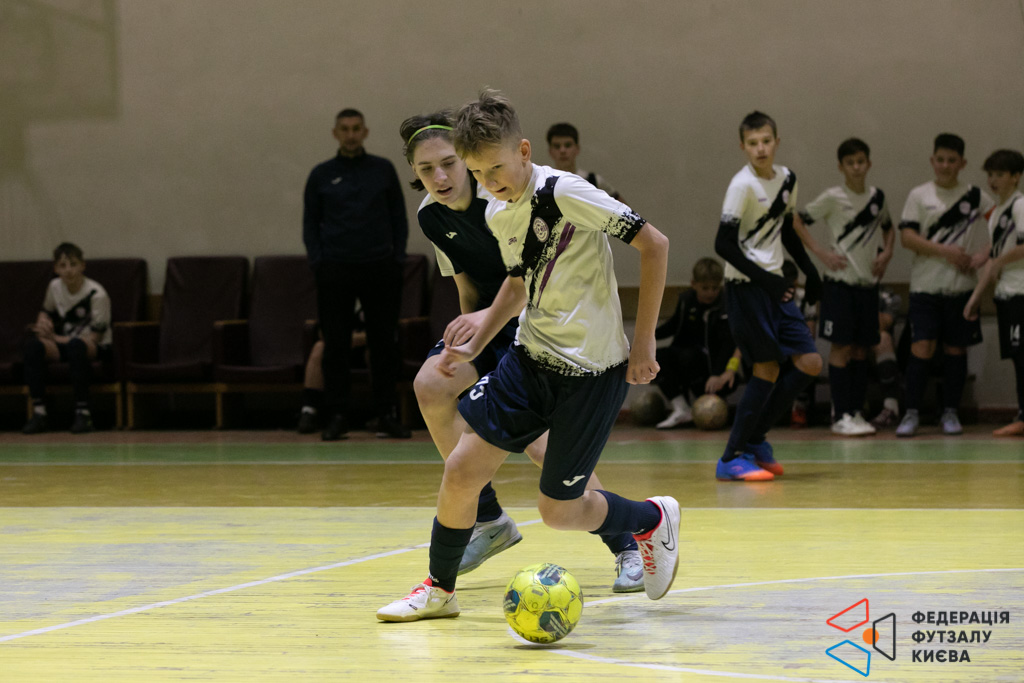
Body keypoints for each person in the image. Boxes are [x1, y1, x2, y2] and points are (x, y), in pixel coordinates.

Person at [377, 91, 679, 622]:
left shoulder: (566, 191)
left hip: (589, 371)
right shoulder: (498, 209)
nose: (488, 181)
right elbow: (518, 282)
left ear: (523, 150)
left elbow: (655, 245)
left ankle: (649, 521)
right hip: (529, 357)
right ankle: (440, 590)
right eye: (478, 172)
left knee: (559, 511)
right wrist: (479, 337)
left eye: (493, 168)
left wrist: (644, 341)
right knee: (461, 468)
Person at [713, 111, 823, 482]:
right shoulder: (741, 186)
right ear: (743, 146)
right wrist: (767, 280)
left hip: (774, 284)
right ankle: (731, 458)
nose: (760, 148)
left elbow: (786, 229)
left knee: (810, 361)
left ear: (777, 142)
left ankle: (756, 439)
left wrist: (810, 270)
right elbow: (723, 244)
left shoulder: (787, 179)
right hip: (747, 288)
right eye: (753, 143)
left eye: (766, 141)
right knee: (767, 368)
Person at [302, 108, 410, 440]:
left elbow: (399, 218)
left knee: (383, 344)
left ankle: (386, 414)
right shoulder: (321, 174)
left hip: (380, 268)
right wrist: (319, 263)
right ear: (336, 133)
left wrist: (397, 259)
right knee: (335, 345)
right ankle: (337, 416)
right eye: (345, 129)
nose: (350, 134)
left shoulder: (382, 169)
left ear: (365, 132)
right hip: (335, 270)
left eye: (356, 128)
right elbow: (310, 224)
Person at [895, 134, 994, 437]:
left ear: (962, 163)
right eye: (940, 160)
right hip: (925, 288)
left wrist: (983, 255)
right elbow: (907, 238)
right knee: (921, 348)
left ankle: (950, 412)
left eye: (952, 160)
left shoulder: (975, 196)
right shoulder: (919, 195)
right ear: (932, 161)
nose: (945, 165)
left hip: (961, 289)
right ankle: (911, 413)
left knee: (955, 350)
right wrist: (945, 251)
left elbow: (1004, 227)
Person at [795, 138, 895, 436]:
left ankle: (856, 411)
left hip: (867, 286)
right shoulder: (832, 197)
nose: (856, 167)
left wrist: (887, 253)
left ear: (869, 163)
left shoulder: (877, 197)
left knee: (862, 350)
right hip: (839, 286)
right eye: (850, 163)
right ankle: (840, 415)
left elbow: (889, 228)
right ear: (841, 167)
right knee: (841, 347)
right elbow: (796, 221)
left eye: (861, 161)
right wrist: (821, 252)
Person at [22, 242, 112, 434]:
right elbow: (46, 311)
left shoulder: (97, 294)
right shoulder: (54, 286)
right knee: (33, 347)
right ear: (56, 269)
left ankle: (83, 413)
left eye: (73, 264)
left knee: (76, 347)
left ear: (82, 266)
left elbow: (95, 337)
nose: (68, 270)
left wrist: (54, 337)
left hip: (96, 346)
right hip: (66, 341)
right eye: (63, 266)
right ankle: (39, 412)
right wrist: (42, 323)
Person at [965, 149, 1024, 436]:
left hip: (1021, 291)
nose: (993, 180)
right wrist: (976, 296)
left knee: (1022, 355)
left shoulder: (1020, 205)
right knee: (1016, 355)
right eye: (990, 174)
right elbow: (994, 259)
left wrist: (999, 261)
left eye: (1000, 174)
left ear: (1016, 177)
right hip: (1005, 292)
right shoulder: (997, 212)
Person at [653, 257, 741, 428]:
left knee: (689, 357)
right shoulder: (686, 300)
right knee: (657, 358)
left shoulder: (725, 306)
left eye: (715, 288)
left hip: (710, 364)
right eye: (705, 288)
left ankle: (709, 404)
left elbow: (728, 344)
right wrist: (647, 338)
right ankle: (681, 408)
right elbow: (673, 325)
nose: (710, 293)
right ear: (694, 284)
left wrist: (718, 373)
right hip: (685, 356)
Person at [546, 122, 625, 202]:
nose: (562, 151)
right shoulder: (543, 184)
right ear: (550, 152)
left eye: (568, 145)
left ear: (577, 149)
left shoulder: (593, 181)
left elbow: (623, 208)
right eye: (557, 146)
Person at [868, 287, 903, 427]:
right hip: (854, 349)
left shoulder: (889, 296)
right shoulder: (844, 291)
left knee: (883, 338)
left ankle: (891, 409)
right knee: (844, 344)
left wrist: (866, 298)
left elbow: (881, 325)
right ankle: (847, 410)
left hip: (878, 356)